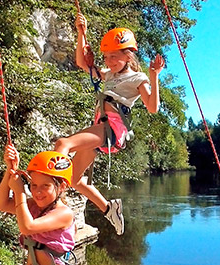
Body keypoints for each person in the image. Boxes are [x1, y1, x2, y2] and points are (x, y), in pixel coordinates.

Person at [53, 13, 165, 235]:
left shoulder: (137, 78)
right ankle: (109, 208)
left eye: (114, 57)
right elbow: (81, 63)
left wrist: (154, 77)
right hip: (101, 128)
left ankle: (51, 200)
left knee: (62, 145)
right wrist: (80, 32)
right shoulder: (108, 75)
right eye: (106, 57)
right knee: (74, 179)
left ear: (128, 56)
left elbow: (152, 107)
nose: (109, 62)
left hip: (111, 129)